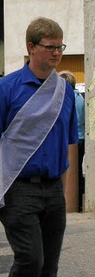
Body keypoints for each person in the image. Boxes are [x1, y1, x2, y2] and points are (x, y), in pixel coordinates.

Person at [0, 17, 78, 277]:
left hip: (53, 190)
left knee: (49, 273)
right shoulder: (7, 88)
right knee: (30, 260)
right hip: (17, 189)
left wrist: (66, 194)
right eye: (50, 47)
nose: (57, 53)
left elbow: (69, 144)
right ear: (31, 47)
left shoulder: (65, 92)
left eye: (60, 47)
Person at [59, 70, 85, 211]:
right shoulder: (80, 98)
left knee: (66, 171)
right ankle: (78, 201)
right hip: (80, 139)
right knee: (77, 172)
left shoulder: (66, 99)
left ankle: (67, 202)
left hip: (69, 140)